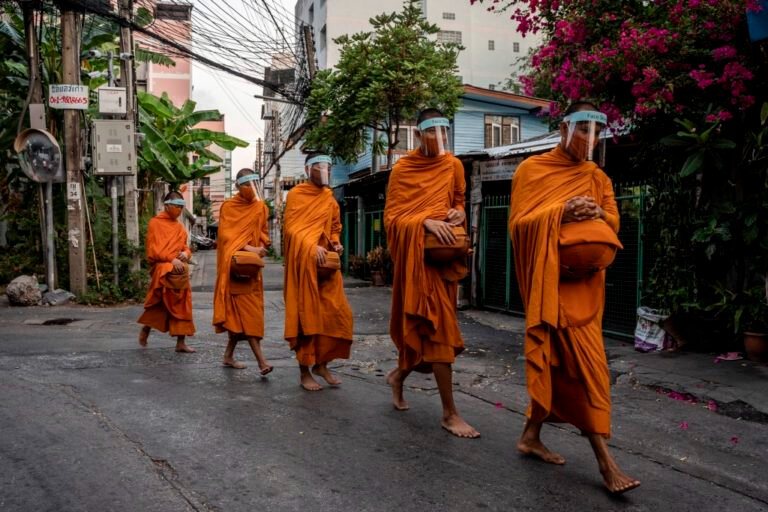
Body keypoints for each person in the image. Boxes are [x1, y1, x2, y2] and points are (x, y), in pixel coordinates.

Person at [508, 101, 640, 493]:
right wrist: (560, 211)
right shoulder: (532, 170)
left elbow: (614, 219)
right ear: (564, 129)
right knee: (587, 371)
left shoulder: (598, 176)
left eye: (597, 132)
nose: (590, 140)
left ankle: (530, 435)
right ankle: (606, 463)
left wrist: (596, 211)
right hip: (552, 285)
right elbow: (518, 225)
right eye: (583, 130)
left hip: (586, 287)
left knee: (559, 367)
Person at [384, 108, 479, 439]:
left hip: (443, 261)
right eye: (432, 132)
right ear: (419, 134)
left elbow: (459, 201)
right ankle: (450, 414)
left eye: (444, 132)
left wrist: (457, 214)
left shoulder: (453, 165)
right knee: (438, 334)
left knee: (431, 331)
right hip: (416, 260)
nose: (439, 139)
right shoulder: (403, 169)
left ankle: (398, 376)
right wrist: (423, 221)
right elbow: (393, 218)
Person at [283, 152, 353, 391]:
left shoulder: (329, 198)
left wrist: (336, 243)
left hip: (327, 268)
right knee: (307, 319)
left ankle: (322, 364)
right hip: (305, 266)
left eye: (328, 167)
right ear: (308, 170)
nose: (325, 171)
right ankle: (305, 372)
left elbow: (334, 227)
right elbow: (292, 229)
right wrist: (310, 247)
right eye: (320, 167)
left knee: (338, 315)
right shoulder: (296, 195)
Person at [212, 168, 273, 375]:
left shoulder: (260, 207)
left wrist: (264, 243)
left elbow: (263, 231)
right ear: (238, 186)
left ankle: (228, 356)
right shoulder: (229, 207)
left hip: (253, 269)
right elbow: (227, 239)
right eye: (247, 185)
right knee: (249, 317)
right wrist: (251, 248)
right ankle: (262, 362)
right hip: (235, 268)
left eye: (255, 184)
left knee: (238, 319)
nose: (252, 189)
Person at [138, 191, 196, 353]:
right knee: (159, 303)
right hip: (163, 270)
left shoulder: (179, 226)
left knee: (183, 306)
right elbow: (153, 251)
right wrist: (171, 259)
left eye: (181, 208)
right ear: (167, 205)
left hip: (180, 274)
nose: (178, 210)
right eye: (176, 207)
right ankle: (146, 329)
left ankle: (181, 342)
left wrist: (186, 254)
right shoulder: (155, 223)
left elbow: (185, 246)